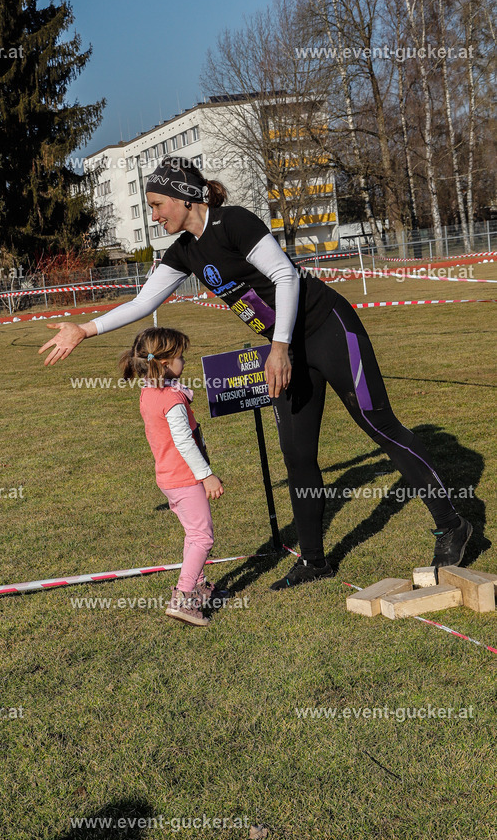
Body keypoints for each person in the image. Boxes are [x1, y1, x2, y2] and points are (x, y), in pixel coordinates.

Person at [40, 155, 472, 587]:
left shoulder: (234, 222)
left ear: (185, 197)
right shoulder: (184, 251)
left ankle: (452, 525)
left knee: (379, 424)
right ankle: (314, 561)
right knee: (297, 454)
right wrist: (84, 329)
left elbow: (285, 275)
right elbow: (143, 302)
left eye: (157, 205)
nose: (153, 216)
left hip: (328, 328)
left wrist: (278, 348)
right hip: (285, 349)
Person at [118, 326, 224, 627]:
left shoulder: (149, 392)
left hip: (168, 478)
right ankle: (184, 597)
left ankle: (199, 587)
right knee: (203, 537)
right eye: (181, 356)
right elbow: (184, 443)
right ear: (165, 363)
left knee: (193, 533)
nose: (185, 361)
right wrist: (207, 476)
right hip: (184, 478)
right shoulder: (171, 399)